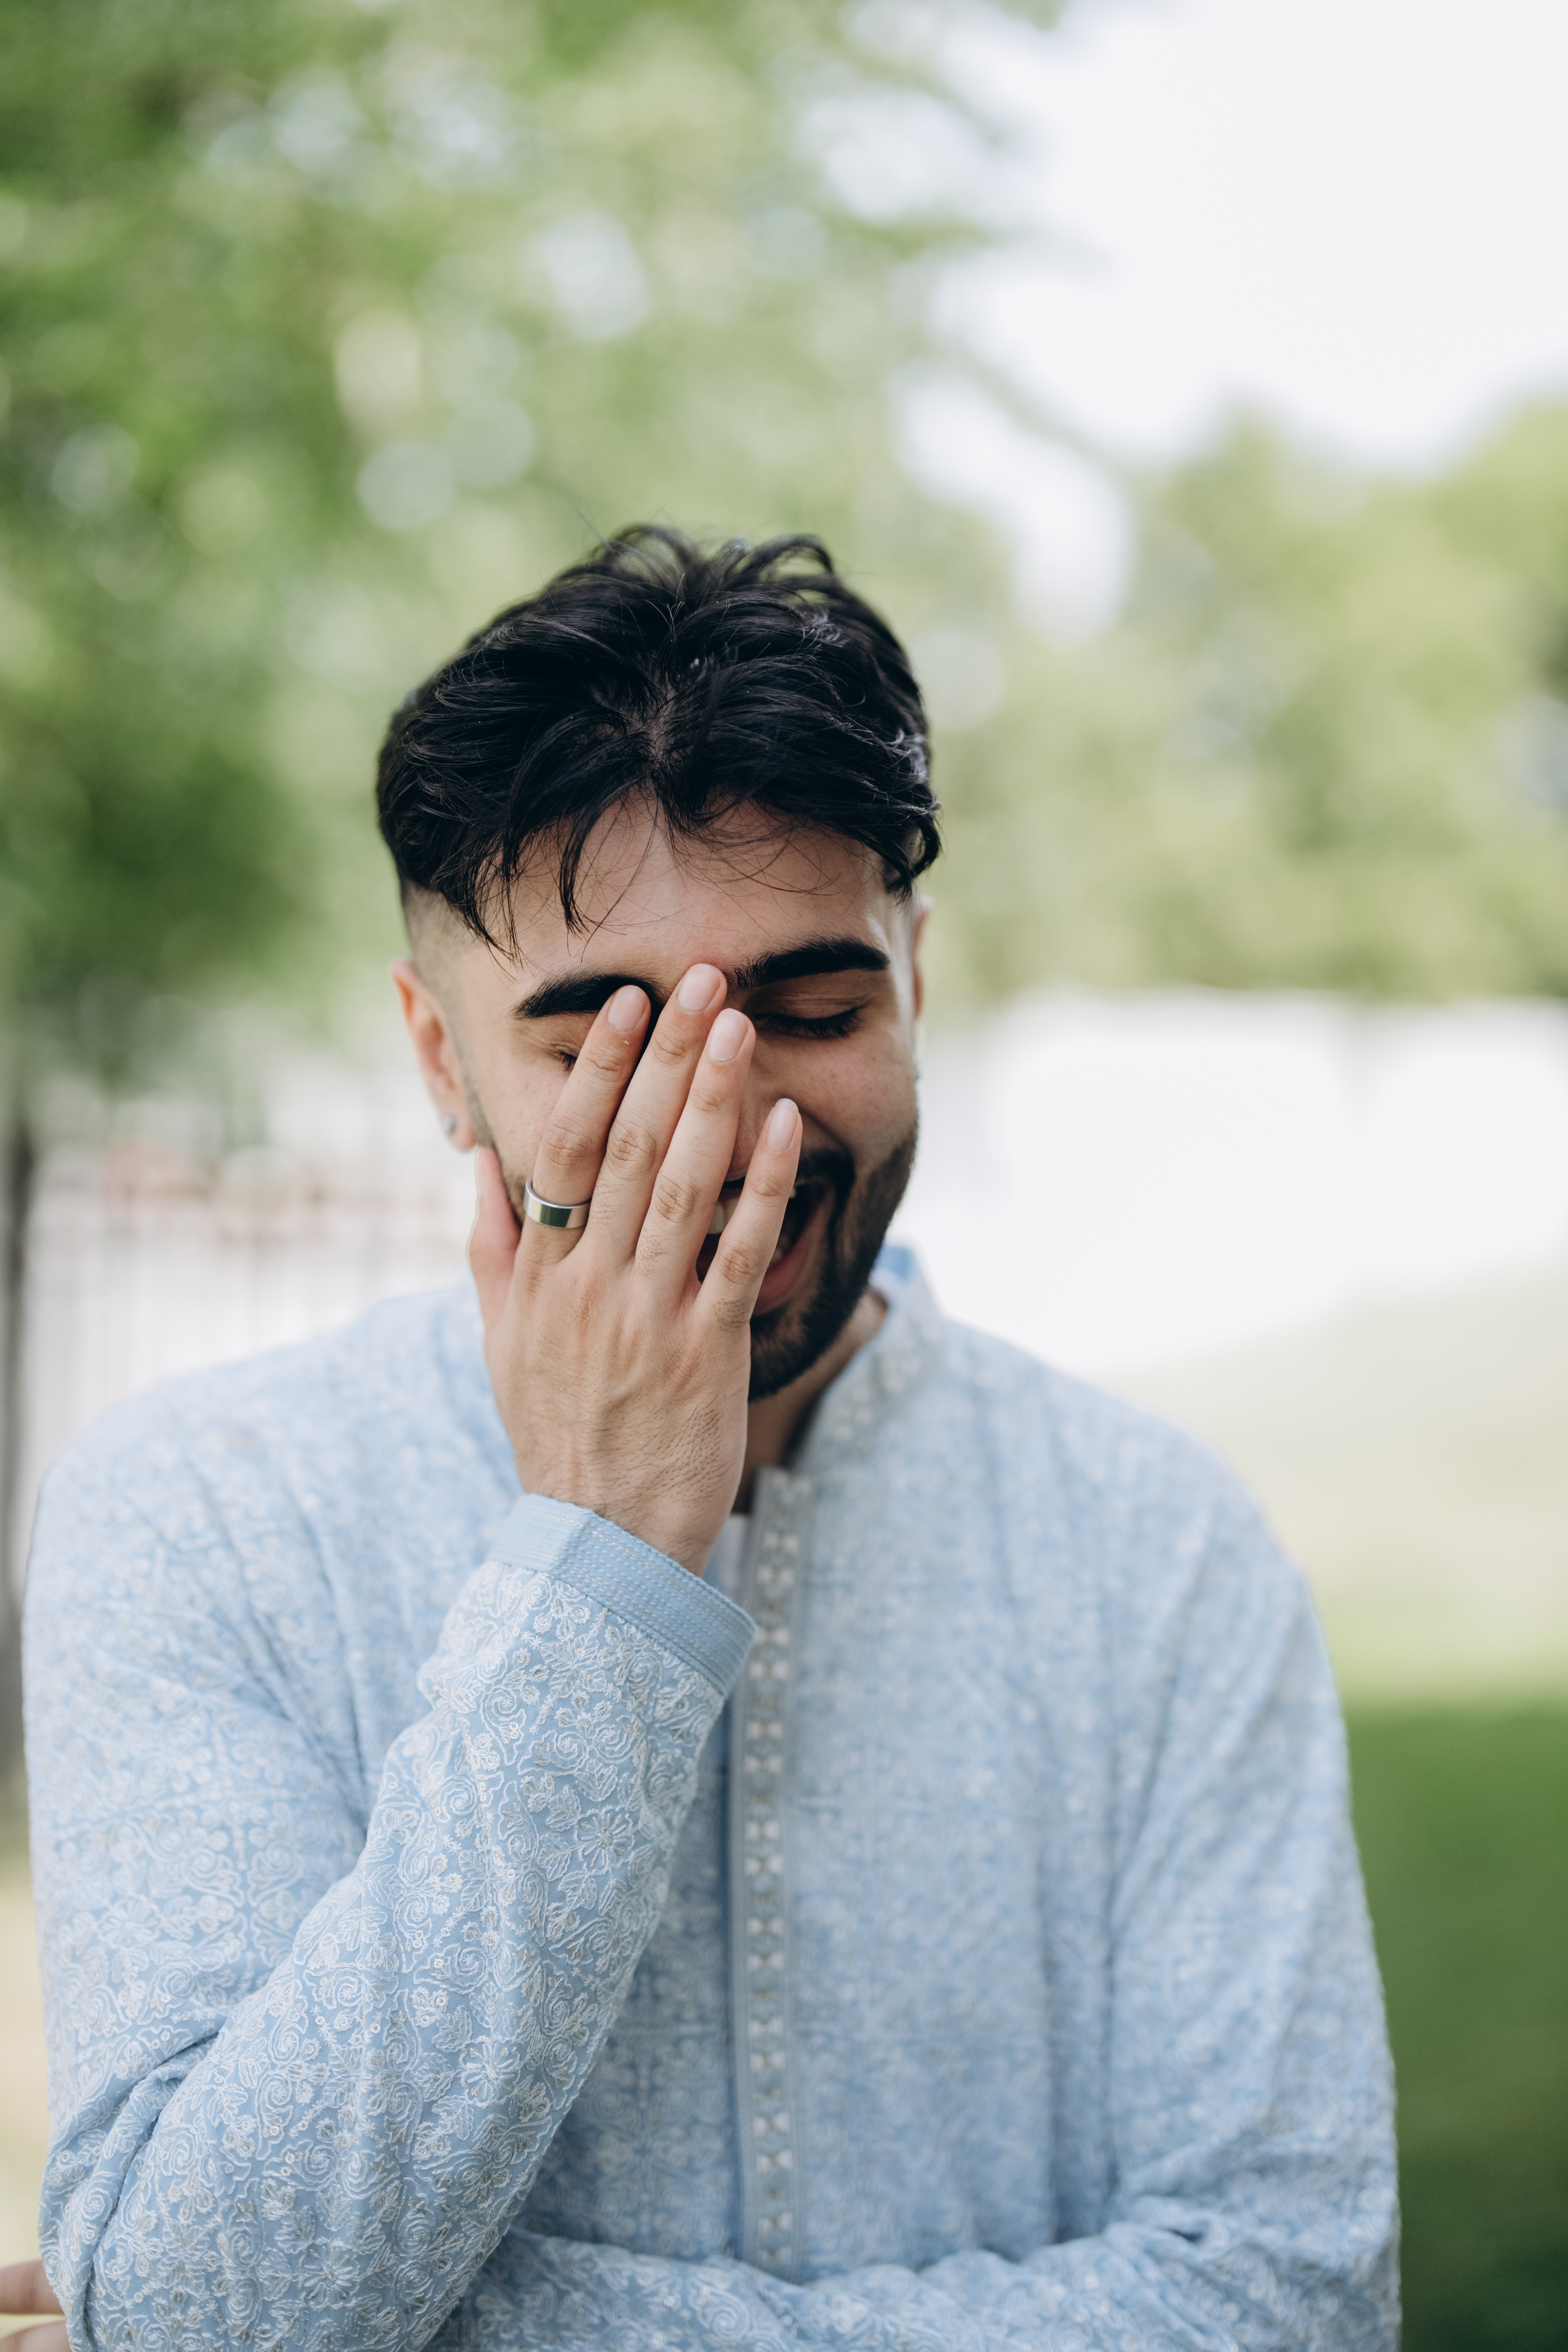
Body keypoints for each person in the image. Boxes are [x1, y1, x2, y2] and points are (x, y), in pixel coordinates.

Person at [14, 529, 1398, 2352]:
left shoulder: (1161, 1550)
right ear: (438, 1061)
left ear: (917, 986)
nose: (728, 1130)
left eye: (815, 1013)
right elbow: (218, 2307)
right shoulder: (192, 1513)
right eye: (602, 1044)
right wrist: (601, 1561)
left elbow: (1294, 2302)